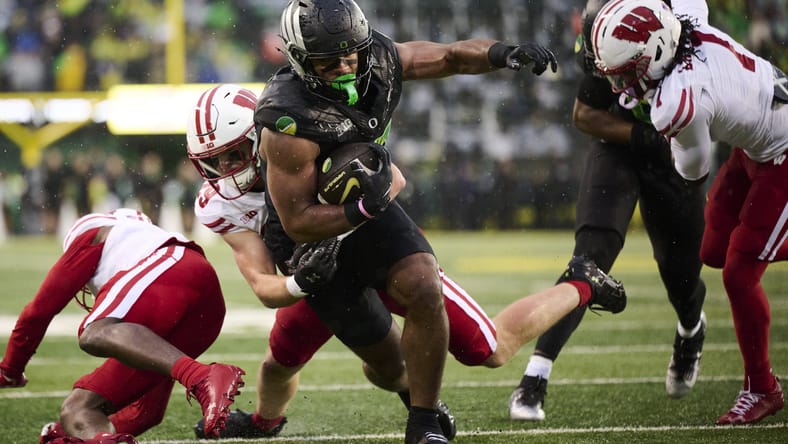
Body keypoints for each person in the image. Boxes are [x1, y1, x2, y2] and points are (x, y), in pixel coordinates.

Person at [186, 84, 627, 440]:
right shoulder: (220, 204)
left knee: (488, 349)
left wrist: (340, 224)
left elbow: (392, 181)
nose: (226, 168)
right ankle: (265, 424)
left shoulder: (300, 138)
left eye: (233, 154)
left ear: (258, 139)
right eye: (213, 161)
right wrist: (300, 282)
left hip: (374, 249)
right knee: (285, 361)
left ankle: (581, 281)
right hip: (319, 276)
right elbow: (264, 285)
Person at [256, 1, 558, 442]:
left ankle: (422, 426)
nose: (344, 65)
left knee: (423, 284)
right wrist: (363, 208)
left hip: (366, 206)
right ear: (300, 61)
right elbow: (298, 221)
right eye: (328, 59)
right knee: (386, 363)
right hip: (311, 239)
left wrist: (501, 53)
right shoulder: (286, 120)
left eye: (350, 53)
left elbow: (452, 56)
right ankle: (410, 393)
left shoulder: (378, 57)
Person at [509, 0, 708, 421]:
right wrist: (644, 136)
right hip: (624, 147)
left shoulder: (694, 37)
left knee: (681, 272)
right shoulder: (607, 32)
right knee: (588, 260)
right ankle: (535, 376)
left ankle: (691, 328)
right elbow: (584, 113)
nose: (610, 73)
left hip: (682, 152)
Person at [591, 0, 788, 425]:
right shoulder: (685, 19)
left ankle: (762, 388)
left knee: (738, 270)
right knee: (712, 249)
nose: (622, 86)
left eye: (627, 73)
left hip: (782, 154)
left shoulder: (678, 100)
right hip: (756, 143)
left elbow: (693, 172)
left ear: (656, 53)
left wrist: (663, 130)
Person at [0, 208, 246, 443]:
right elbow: (145, 414)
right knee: (78, 409)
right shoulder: (143, 337)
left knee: (94, 332)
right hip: (203, 309)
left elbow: (38, 313)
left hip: (172, 267)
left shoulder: (96, 233)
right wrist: (76, 434)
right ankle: (197, 375)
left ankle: (200, 376)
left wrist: (10, 368)